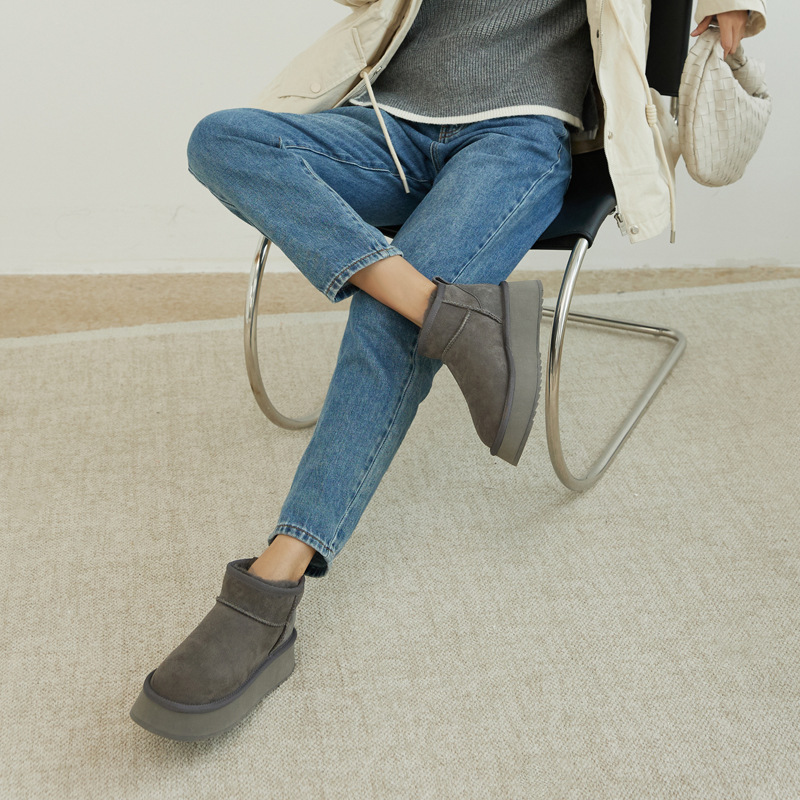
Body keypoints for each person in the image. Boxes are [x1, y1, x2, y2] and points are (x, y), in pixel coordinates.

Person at [129, 0, 764, 741]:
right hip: (384, 127)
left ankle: (277, 575)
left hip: (516, 143)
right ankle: (450, 313)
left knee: (384, 324)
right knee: (222, 138)